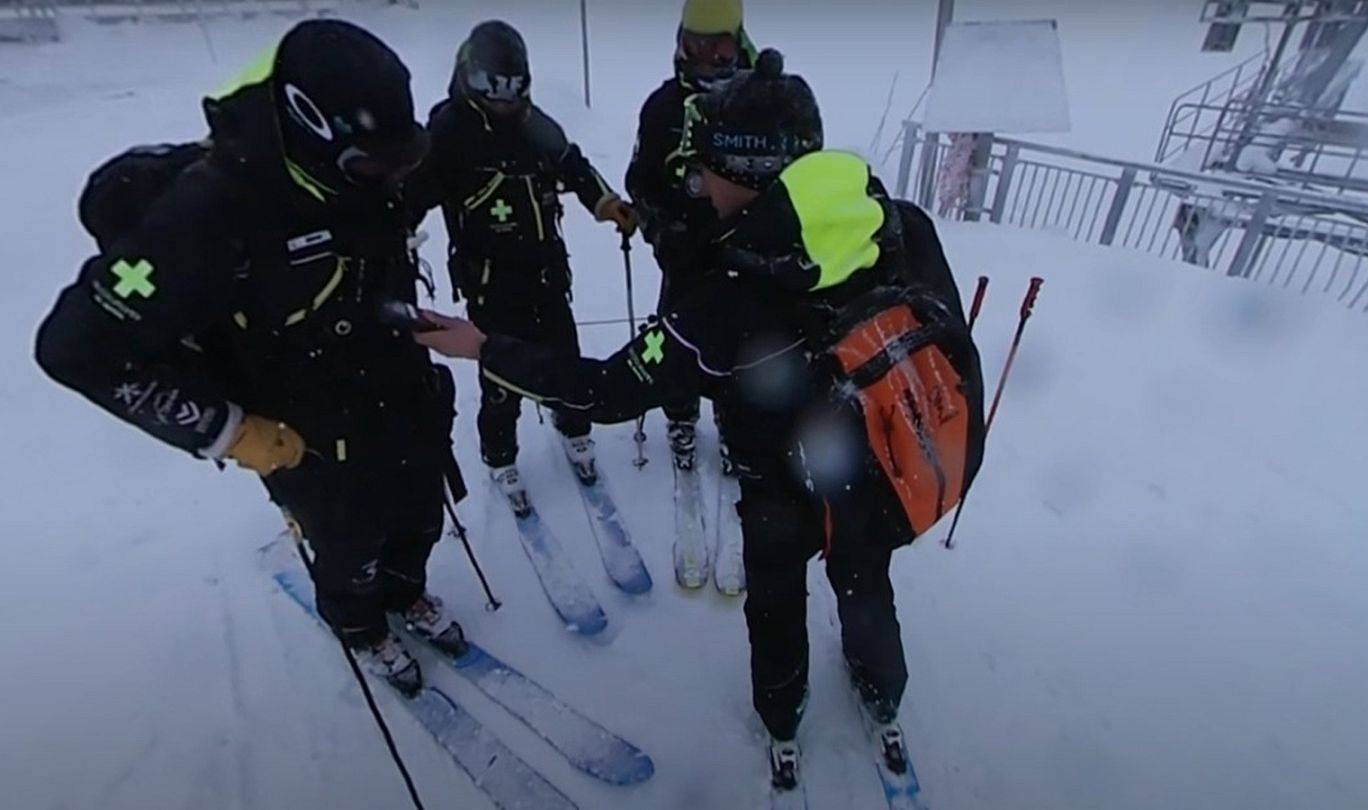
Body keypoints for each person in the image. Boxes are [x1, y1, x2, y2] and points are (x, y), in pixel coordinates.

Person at [415, 50, 986, 790]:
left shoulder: (723, 303)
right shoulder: (900, 224)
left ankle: (782, 721)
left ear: (748, 175)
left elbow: (601, 392)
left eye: (706, 165)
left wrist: (485, 346)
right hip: (881, 474)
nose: (696, 182)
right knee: (866, 580)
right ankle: (884, 694)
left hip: (780, 491)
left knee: (777, 602)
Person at [34, 20, 465, 697]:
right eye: (371, 166)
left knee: (418, 512)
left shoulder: (360, 172)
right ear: (308, 134)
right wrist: (232, 433)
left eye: (398, 160)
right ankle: (360, 626)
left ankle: (406, 591)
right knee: (349, 543)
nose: (389, 178)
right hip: (306, 429)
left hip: (396, 385)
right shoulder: (208, 212)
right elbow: (73, 348)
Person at [404, 20, 638, 515]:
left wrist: (605, 202)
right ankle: (500, 454)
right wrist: (394, 235)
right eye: (496, 96)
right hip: (489, 283)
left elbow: (571, 163)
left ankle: (574, 428)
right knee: (500, 377)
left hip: (548, 274)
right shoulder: (447, 135)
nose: (507, 106)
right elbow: (410, 197)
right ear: (471, 82)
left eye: (515, 95)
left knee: (565, 359)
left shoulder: (535, 125)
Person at [625, 0, 757, 470]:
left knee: (738, 353)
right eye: (695, 46)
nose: (706, 60)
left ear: (737, 45)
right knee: (677, 345)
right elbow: (639, 180)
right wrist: (660, 226)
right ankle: (680, 417)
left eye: (718, 50)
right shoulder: (663, 107)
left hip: (743, 257)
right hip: (683, 257)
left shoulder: (758, 99)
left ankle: (732, 424)